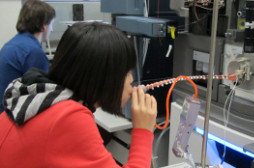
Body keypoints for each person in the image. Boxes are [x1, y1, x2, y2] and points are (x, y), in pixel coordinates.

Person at [0, 22, 157, 167]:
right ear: (103, 77)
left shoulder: (39, 97)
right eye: (127, 73)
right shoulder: (68, 117)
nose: (131, 80)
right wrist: (144, 130)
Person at [0, 0, 56, 113]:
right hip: (12, 114)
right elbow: (47, 95)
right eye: (51, 24)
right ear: (44, 26)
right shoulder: (33, 52)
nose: (52, 29)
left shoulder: (12, 44)